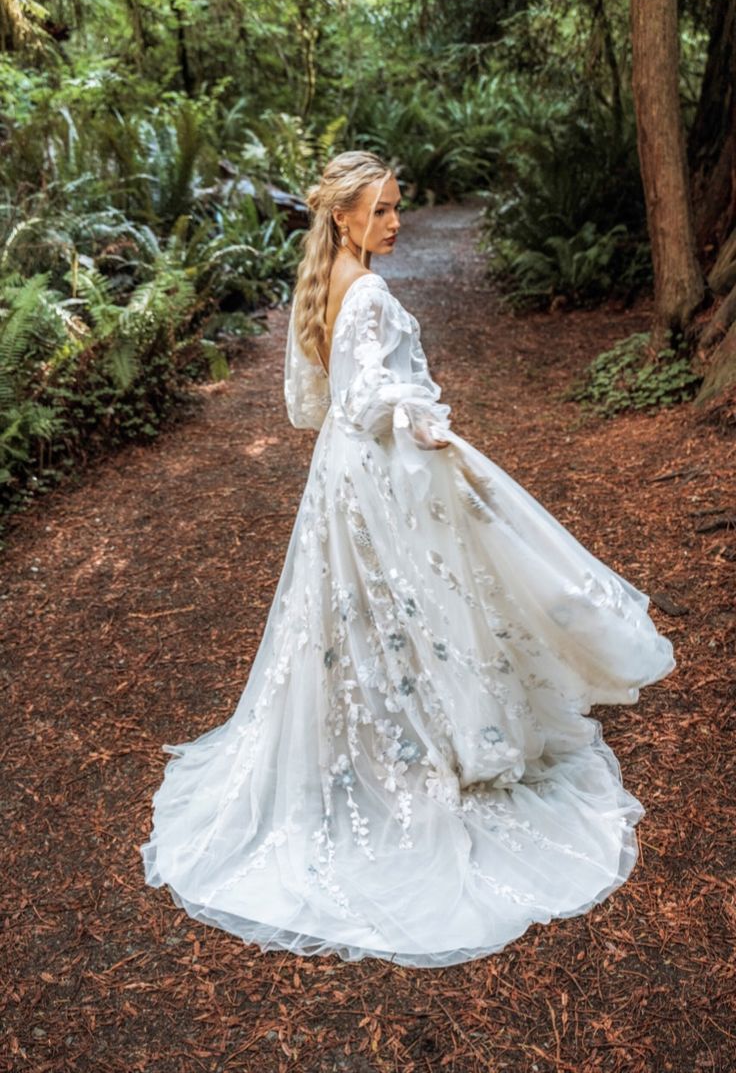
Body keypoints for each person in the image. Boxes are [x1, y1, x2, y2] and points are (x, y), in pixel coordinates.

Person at [140, 150, 676, 969]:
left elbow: (310, 407)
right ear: (345, 216)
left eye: (397, 207)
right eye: (383, 210)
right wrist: (419, 418)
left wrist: (400, 411)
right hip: (376, 471)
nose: (396, 222)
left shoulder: (327, 284)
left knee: (366, 611)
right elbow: (361, 400)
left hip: (340, 475)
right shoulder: (369, 293)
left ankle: (379, 732)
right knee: (409, 603)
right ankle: (420, 740)